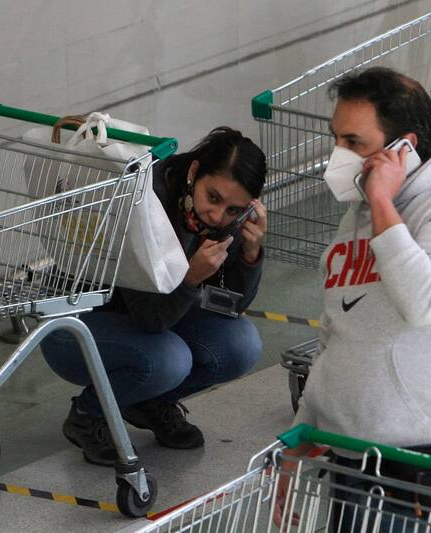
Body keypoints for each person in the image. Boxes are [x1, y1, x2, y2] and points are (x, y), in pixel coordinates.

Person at [275, 67, 431, 529]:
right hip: (355, 454)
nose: (338, 155)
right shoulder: (360, 216)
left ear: (405, 148)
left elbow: (427, 301)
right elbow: (337, 332)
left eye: (355, 142)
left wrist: (382, 204)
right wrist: (302, 432)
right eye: (335, 138)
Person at [41, 127, 268, 466]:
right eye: (214, 198)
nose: (217, 217)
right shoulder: (146, 199)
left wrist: (250, 254)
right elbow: (151, 318)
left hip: (143, 321)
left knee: (241, 344)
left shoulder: (221, 220)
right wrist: (191, 277)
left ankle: (147, 403)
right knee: (169, 359)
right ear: (194, 173)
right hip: (78, 327)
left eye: (234, 210)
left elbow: (231, 306)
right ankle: (88, 415)